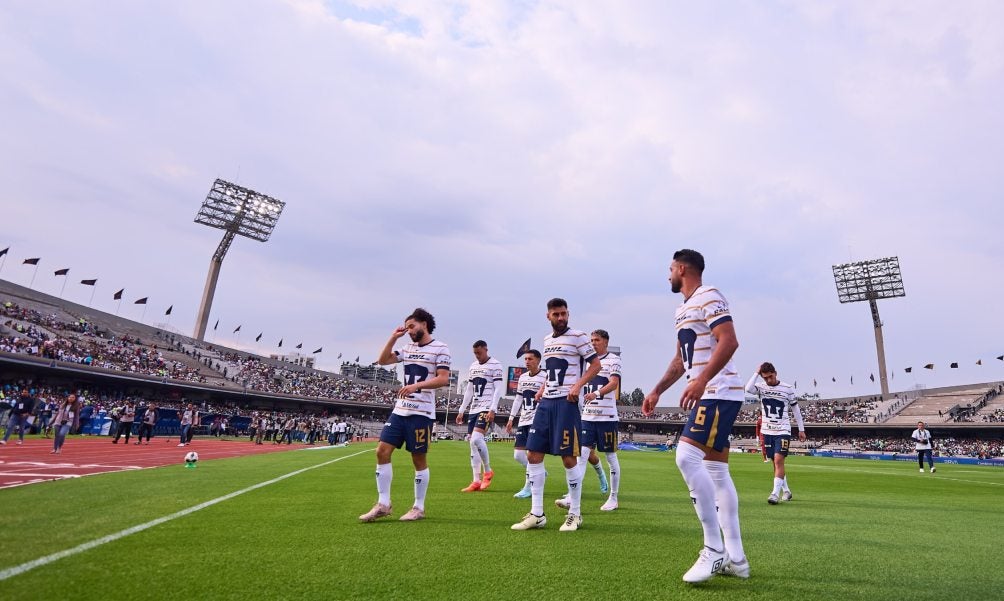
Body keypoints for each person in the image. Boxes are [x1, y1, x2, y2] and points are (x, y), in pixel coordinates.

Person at [642, 249, 749, 583]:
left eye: (670, 268)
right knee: (716, 470)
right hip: (712, 390)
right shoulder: (682, 309)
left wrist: (702, 380)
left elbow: (729, 341)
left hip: (718, 391)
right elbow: (680, 360)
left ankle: (713, 549)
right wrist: (658, 389)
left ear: (682, 268)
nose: (668, 275)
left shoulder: (709, 295)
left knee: (686, 457)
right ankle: (737, 560)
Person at [511, 298, 602, 533]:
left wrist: (578, 386)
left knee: (568, 458)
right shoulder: (547, 340)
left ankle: (575, 514)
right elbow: (552, 372)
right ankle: (537, 513)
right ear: (548, 316)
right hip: (547, 403)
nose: (560, 318)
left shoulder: (578, 337)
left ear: (568, 314)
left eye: (563, 314)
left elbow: (595, 366)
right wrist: (542, 389)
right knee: (533, 454)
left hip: (567, 403)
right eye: (556, 314)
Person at [360, 308, 451, 523]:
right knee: (382, 451)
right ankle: (383, 504)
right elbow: (382, 360)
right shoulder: (406, 347)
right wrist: (392, 338)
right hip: (400, 410)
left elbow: (443, 379)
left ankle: (418, 507)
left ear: (424, 324)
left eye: (412, 326)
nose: (409, 331)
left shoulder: (441, 348)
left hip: (422, 413)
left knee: (418, 459)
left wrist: (416, 386)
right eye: (407, 327)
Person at [556, 329, 621, 511]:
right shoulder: (586, 363)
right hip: (587, 416)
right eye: (591, 340)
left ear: (606, 342)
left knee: (611, 457)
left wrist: (597, 393)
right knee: (582, 455)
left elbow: (614, 383)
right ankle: (572, 495)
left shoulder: (613, 360)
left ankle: (613, 498)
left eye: (597, 340)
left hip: (607, 416)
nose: (593, 343)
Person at [745, 362, 806, 504]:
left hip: (783, 430)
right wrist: (756, 372)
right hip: (767, 431)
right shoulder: (761, 387)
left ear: (775, 373)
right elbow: (747, 388)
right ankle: (786, 491)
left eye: (770, 377)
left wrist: (801, 429)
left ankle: (774, 494)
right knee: (775, 464)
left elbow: (796, 409)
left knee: (779, 460)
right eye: (765, 378)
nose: (768, 380)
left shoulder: (787, 389)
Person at [456, 340, 504, 492]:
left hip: (486, 407)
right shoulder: (473, 366)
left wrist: (493, 408)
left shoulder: (495, 365)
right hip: (474, 409)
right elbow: (469, 390)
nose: (477, 356)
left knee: (477, 439)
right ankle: (476, 481)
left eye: (479, 353)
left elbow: (498, 389)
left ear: (486, 350)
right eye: (475, 353)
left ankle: (488, 471)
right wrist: (462, 410)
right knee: (472, 444)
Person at [506, 349, 546, 498]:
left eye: (530, 359)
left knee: (531, 455)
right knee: (518, 455)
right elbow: (518, 399)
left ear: (538, 361)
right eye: (525, 359)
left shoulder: (545, 377)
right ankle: (539, 472)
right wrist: (511, 418)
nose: (527, 362)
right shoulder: (522, 377)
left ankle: (528, 487)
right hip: (523, 419)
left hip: (538, 419)